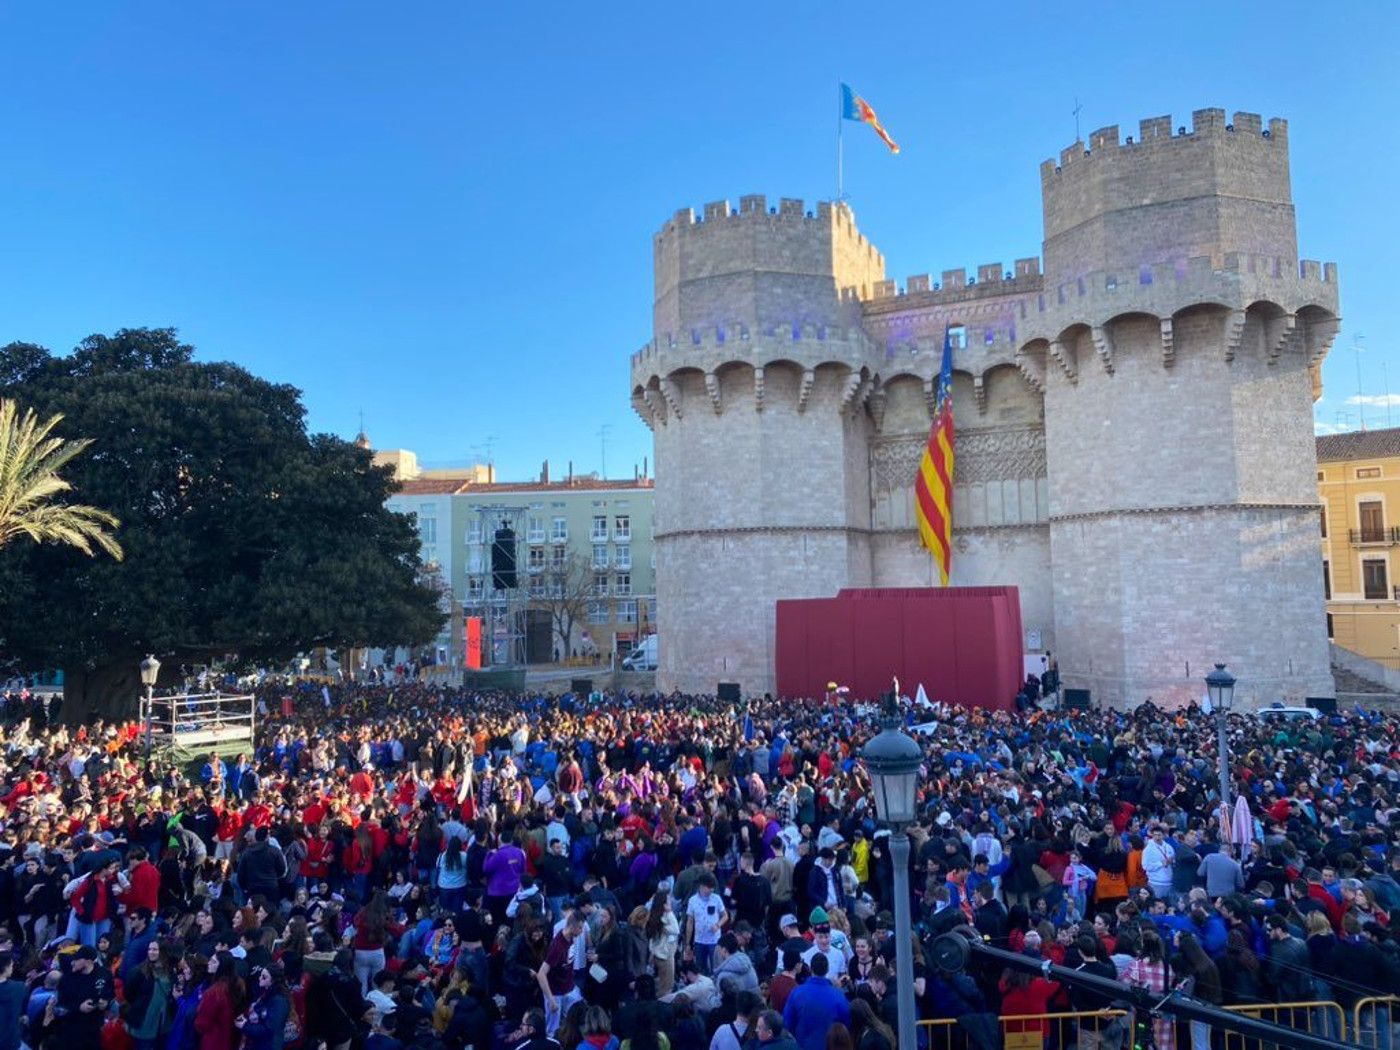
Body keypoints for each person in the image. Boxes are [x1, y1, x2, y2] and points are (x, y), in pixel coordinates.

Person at [781, 953, 849, 1050]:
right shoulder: (839, 996)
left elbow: (787, 1023)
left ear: (811, 969)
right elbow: (846, 1025)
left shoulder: (797, 993)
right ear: (827, 969)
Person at [126, 938, 176, 1050]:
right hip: (145, 1023)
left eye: (155, 949)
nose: (151, 952)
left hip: (163, 1024)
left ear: (162, 952)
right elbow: (129, 994)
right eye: (149, 949)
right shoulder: (138, 972)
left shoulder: (170, 971)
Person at [195, 951, 245, 1050]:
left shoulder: (214, 992)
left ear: (221, 967)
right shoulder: (238, 985)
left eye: (213, 962)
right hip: (230, 1039)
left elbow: (202, 1023)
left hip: (213, 1041)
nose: (209, 963)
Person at [236, 964, 293, 1050]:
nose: (260, 978)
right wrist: (246, 1021)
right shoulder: (265, 993)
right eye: (261, 975)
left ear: (273, 981)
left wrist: (245, 1025)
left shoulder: (279, 1001)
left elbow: (270, 1029)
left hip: (268, 1045)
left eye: (264, 977)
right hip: (259, 1043)